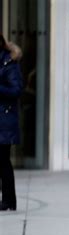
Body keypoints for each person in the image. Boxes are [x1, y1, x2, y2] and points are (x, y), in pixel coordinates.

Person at [0, 34, 23, 211]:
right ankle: (8, 200)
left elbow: (16, 90)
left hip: (5, 120)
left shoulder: (9, 63)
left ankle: (9, 201)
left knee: (3, 162)